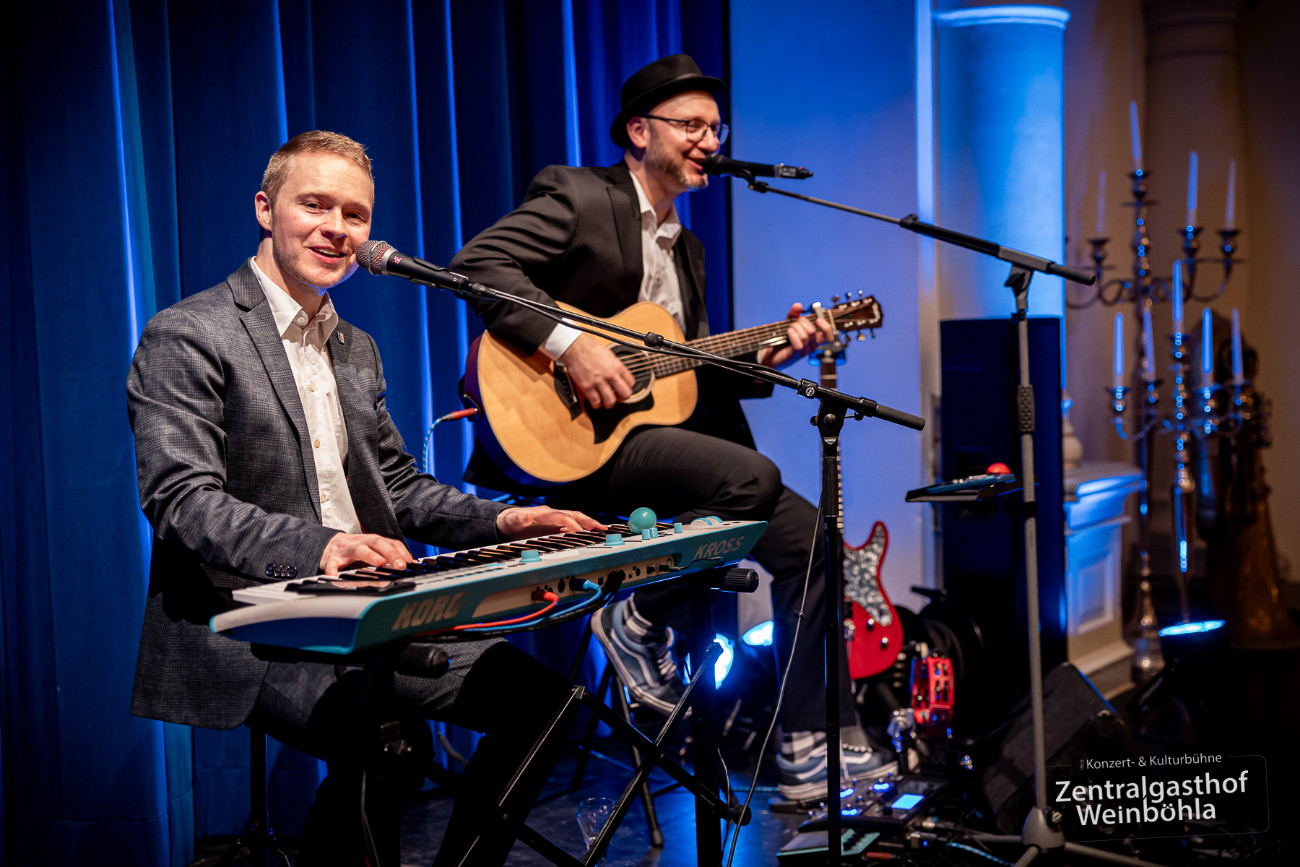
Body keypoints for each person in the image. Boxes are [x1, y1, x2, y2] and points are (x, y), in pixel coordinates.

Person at [126, 130, 603, 866]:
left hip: (373, 611)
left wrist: (509, 518)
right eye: (315, 205)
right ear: (265, 210)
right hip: (252, 618)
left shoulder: (356, 348)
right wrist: (325, 547)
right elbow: (182, 500)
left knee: (545, 702)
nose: (337, 228)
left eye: (355, 214)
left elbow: (400, 488)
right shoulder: (189, 333)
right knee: (388, 743)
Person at [450, 55, 895, 801]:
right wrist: (573, 345)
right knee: (752, 477)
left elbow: (686, 371)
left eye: (717, 130)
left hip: (650, 445)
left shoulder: (687, 248)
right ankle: (639, 618)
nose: (710, 142)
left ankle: (806, 740)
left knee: (815, 541)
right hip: (572, 444)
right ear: (638, 131)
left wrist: (772, 353)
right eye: (692, 125)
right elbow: (478, 265)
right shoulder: (579, 196)